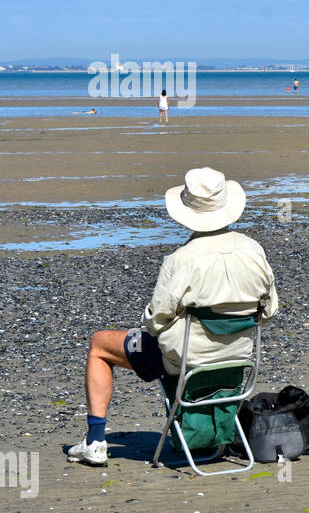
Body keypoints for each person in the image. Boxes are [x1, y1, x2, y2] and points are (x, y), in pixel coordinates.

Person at [66, 167, 279, 466]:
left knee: (100, 344)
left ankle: (95, 441)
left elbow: (154, 322)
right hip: (238, 355)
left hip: (185, 359)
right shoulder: (254, 250)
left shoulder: (181, 260)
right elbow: (269, 311)